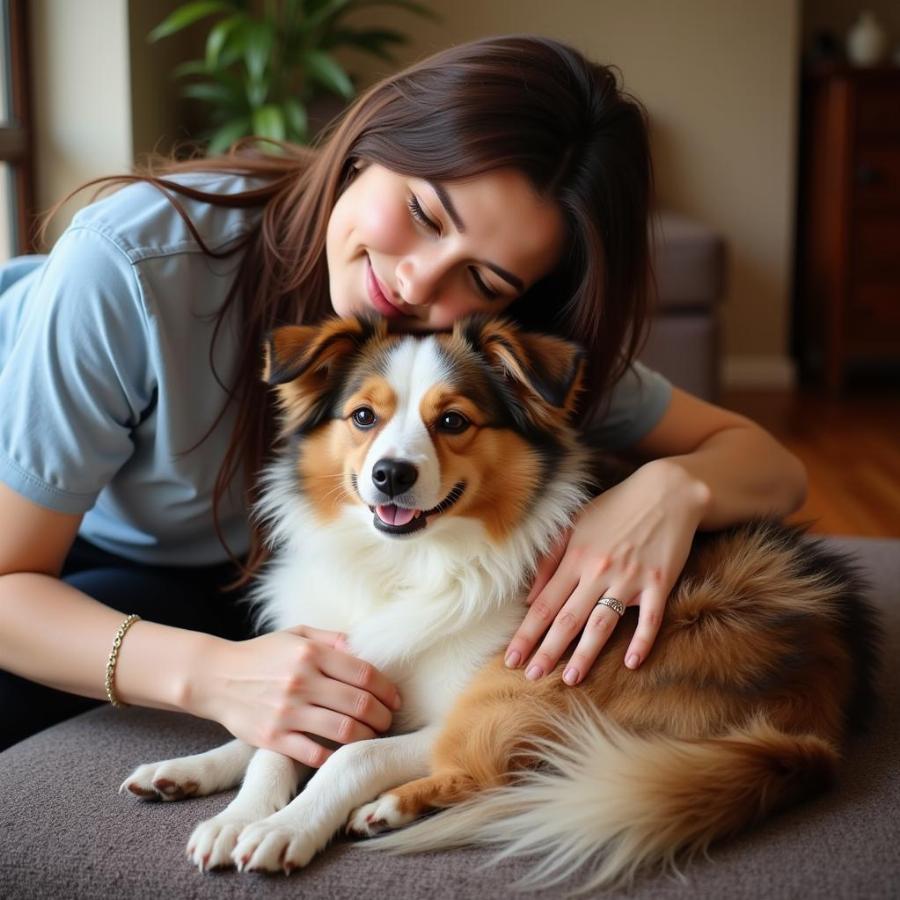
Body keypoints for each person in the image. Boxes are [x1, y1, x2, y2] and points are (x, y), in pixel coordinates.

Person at [0, 35, 806, 759]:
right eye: (422, 212)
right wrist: (210, 677)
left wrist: (669, 490)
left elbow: (771, 467)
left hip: (274, 576)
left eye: (482, 277)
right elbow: (8, 585)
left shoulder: (488, 349)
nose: (417, 281)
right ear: (371, 142)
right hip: (93, 551)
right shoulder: (133, 266)